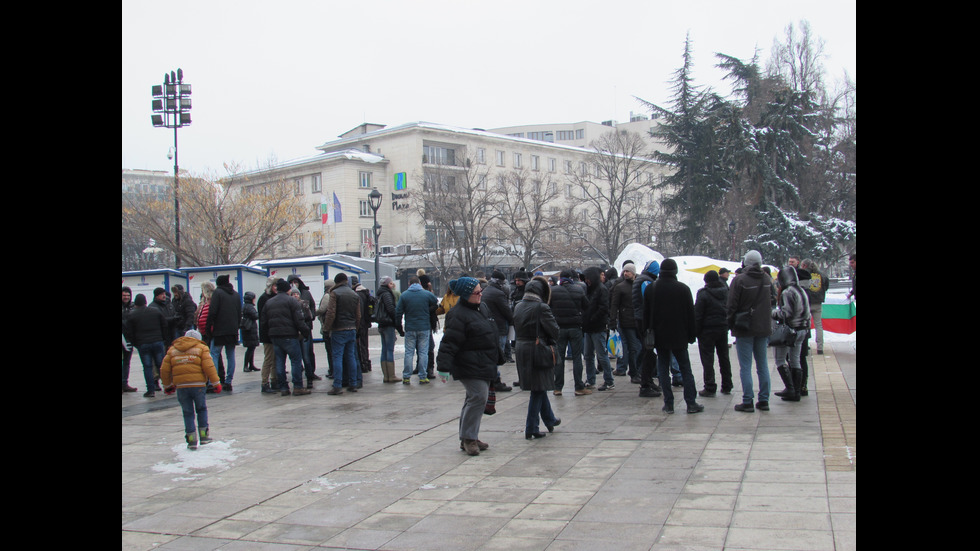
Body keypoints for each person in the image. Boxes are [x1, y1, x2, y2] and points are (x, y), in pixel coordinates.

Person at [436, 277, 502, 456]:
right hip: (468, 364)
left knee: (473, 399)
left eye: (481, 291)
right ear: (466, 295)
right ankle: (468, 438)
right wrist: (443, 366)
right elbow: (449, 342)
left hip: (484, 361)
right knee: (478, 397)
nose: (481, 295)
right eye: (477, 293)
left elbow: (491, 332)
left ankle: (468, 436)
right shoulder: (457, 314)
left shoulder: (482, 308)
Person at [645, 258, 704, 414]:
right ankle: (691, 403)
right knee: (685, 368)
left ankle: (669, 403)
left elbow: (645, 315)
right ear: (675, 271)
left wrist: (646, 334)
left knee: (663, 368)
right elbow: (691, 315)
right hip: (679, 335)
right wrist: (692, 335)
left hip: (659, 335)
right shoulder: (683, 289)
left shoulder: (652, 288)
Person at [513, 276, 561, 439]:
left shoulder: (518, 306)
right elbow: (554, 331)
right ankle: (531, 427)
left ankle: (550, 419)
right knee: (538, 389)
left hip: (522, 349)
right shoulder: (541, 307)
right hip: (538, 350)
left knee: (538, 386)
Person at [727, 250, 775, 412]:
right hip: (763, 327)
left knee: (745, 366)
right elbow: (773, 300)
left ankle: (747, 400)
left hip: (744, 328)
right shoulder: (767, 279)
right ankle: (764, 400)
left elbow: (732, 305)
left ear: (745, 262)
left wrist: (730, 323)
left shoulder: (739, 280)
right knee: (762, 365)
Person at [160, 329, 221, 450]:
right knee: (201, 409)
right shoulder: (201, 348)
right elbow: (209, 366)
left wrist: (167, 386)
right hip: (198, 385)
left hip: (181, 387)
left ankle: (192, 440)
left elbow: (164, 370)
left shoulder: (173, 350)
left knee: (187, 413)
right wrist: (216, 383)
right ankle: (204, 437)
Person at [260, 279, 312, 396]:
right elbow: (299, 320)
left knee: (279, 361)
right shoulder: (292, 301)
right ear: (287, 289)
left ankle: (283, 387)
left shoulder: (269, 302)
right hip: (290, 336)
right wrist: (306, 332)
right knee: (295, 361)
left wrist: (269, 334)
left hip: (275, 337)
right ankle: (298, 386)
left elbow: (264, 322)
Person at [772, 265, 812, 402]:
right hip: (802, 329)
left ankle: (790, 388)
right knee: (795, 359)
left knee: (780, 359)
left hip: (790, 330)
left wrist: (772, 313)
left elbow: (786, 314)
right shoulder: (801, 290)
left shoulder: (787, 292)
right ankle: (796, 391)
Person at [549, 270, 589, 396]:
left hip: (559, 328)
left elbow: (548, 308)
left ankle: (558, 387)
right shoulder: (579, 290)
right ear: (572, 278)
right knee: (577, 357)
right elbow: (586, 306)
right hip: (575, 327)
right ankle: (578, 387)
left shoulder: (553, 291)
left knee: (559, 357)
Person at [694, 270, 733, 396]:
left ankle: (710, 386)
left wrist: (696, 330)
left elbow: (698, 314)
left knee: (707, 358)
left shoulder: (703, 294)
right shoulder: (725, 292)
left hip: (707, 330)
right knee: (724, 357)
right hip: (722, 328)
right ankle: (727, 384)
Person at [323, 273, 362, 394]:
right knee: (351, 357)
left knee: (337, 357)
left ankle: (337, 385)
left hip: (338, 330)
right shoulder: (354, 294)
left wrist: (326, 328)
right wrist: (355, 328)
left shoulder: (334, 293)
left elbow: (331, 313)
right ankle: (353, 383)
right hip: (351, 329)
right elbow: (358, 315)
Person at [396, 275, 438, 385]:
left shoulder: (404, 295)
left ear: (409, 284)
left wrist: (400, 328)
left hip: (410, 328)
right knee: (423, 352)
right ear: (419, 283)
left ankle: (406, 377)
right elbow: (435, 302)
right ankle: (423, 376)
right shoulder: (426, 294)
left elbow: (398, 312)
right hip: (424, 327)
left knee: (409, 353)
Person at [125, 294, 169, 398]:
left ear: (136, 303)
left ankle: (150, 390)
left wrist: (136, 343)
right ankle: (168, 386)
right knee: (161, 365)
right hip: (157, 341)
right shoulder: (155, 311)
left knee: (147, 367)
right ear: (145, 302)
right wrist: (162, 338)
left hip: (143, 343)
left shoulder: (132, 315)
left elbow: (129, 332)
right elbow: (164, 325)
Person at [205, 275, 242, 392]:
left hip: (219, 330)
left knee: (214, 354)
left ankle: (213, 382)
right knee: (230, 354)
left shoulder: (218, 293)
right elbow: (239, 312)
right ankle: (228, 381)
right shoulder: (236, 295)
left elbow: (213, 312)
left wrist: (208, 327)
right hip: (232, 330)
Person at [632, 260, 662, 397]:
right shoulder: (646, 282)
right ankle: (646, 384)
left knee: (648, 351)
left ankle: (648, 381)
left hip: (639, 318)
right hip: (644, 320)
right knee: (648, 352)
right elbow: (649, 299)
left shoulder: (641, 279)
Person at [582, 267, 613, 391]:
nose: (587, 281)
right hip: (588, 327)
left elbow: (604, 307)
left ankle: (609, 380)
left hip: (597, 327)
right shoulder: (588, 289)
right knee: (588, 355)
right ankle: (590, 379)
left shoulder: (601, 289)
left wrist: (592, 318)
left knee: (601, 355)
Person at [609, 263, 641, 383]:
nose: (626, 273)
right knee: (633, 347)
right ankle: (634, 372)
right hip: (626, 322)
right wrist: (613, 320)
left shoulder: (638, 284)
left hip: (637, 321)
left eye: (628, 271)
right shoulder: (620, 286)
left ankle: (636, 370)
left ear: (633, 272)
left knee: (639, 347)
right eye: (624, 271)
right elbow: (614, 304)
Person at [483, 270, 515, 387]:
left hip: (489, 326)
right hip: (499, 327)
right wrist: (513, 320)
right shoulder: (498, 293)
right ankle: (495, 380)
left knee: (492, 354)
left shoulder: (486, 290)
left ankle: (492, 379)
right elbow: (506, 311)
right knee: (498, 355)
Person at [287, 274, 319, 379]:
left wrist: (312, 316)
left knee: (308, 353)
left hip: (306, 327)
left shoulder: (306, 293)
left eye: (295, 282)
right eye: (291, 283)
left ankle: (311, 372)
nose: (294, 284)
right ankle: (299, 371)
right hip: (294, 330)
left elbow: (312, 306)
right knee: (296, 354)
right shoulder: (287, 296)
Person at [375, 276, 403, 382]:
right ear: (387, 284)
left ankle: (386, 376)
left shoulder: (379, 293)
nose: (392, 285)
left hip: (381, 324)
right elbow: (391, 308)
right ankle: (391, 376)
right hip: (388, 324)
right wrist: (396, 320)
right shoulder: (387, 294)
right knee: (389, 349)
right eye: (391, 283)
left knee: (384, 349)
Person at [800, 259, 829, 355]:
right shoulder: (822, 275)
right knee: (818, 325)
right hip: (818, 303)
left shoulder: (804, 274)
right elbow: (826, 286)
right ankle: (820, 347)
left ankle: (805, 346)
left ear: (804, 265)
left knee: (806, 325)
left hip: (807, 302)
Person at [256, 276, 280, 394]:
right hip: (268, 334)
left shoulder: (276, 297)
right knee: (269, 358)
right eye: (274, 285)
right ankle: (264, 382)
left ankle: (274, 380)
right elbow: (263, 319)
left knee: (276, 358)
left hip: (275, 332)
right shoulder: (263, 299)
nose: (276, 288)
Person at [289, 289, 315, 388]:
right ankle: (298, 379)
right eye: (293, 294)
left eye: (297, 294)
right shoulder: (289, 305)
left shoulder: (304, 304)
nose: (295, 295)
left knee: (306, 357)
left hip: (303, 334)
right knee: (296, 359)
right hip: (294, 334)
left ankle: (309, 378)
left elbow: (309, 316)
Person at [350, 276, 374, 376]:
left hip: (361, 323)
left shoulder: (357, 295)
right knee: (365, 344)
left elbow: (358, 312)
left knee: (360, 345)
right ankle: (367, 363)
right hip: (366, 322)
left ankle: (363, 364)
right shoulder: (366, 293)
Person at [314, 280, 335, 379]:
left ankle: (332, 370)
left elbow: (322, 309)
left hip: (327, 327)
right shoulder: (334, 294)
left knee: (330, 350)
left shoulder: (327, 296)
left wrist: (313, 312)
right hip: (334, 328)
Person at [122, 287, 138, 393]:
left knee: (127, 362)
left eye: (128, 295)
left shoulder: (133, 307)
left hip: (129, 339)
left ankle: (124, 383)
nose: (126, 297)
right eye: (124, 295)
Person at [240, 291, 260, 372]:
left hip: (247, 329)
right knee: (251, 348)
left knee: (251, 348)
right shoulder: (250, 307)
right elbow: (255, 316)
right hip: (250, 330)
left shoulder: (245, 306)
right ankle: (246, 366)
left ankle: (251, 365)